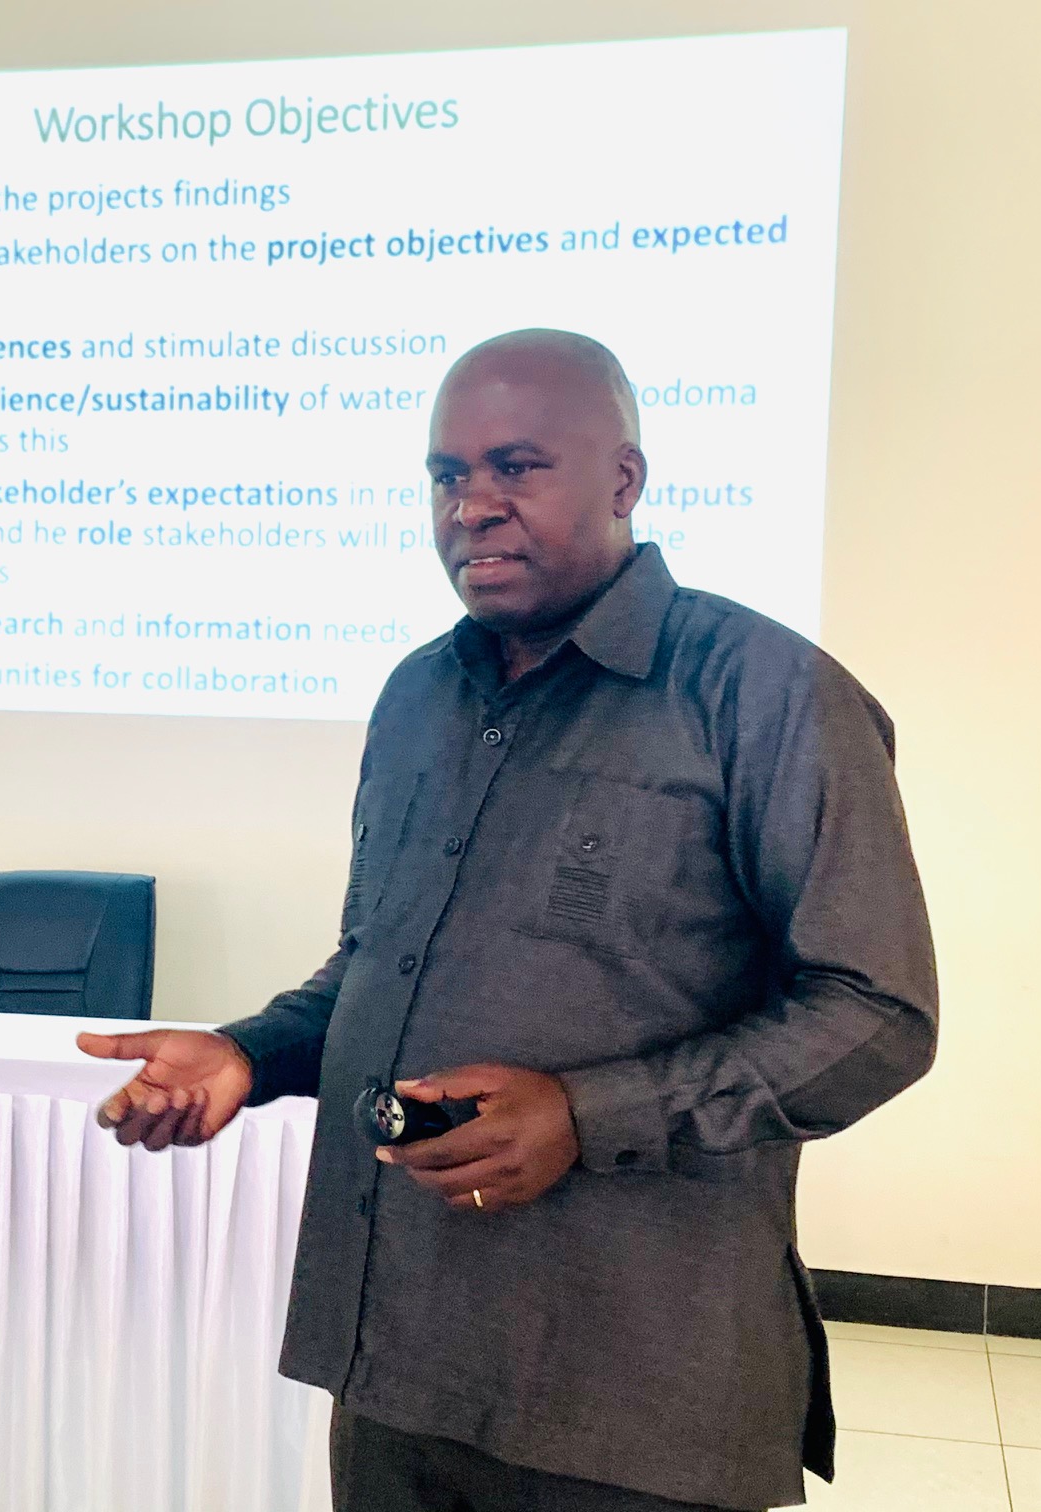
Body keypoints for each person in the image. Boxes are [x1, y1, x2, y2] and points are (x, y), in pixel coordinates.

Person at [78, 329, 938, 1512]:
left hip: (634, 1387)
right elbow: (383, 964)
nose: (471, 506)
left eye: (517, 467)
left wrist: (589, 1115)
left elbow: (878, 1013)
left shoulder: (769, 693)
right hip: (398, 1353)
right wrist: (251, 1053)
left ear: (625, 480)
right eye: (447, 475)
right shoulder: (417, 696)